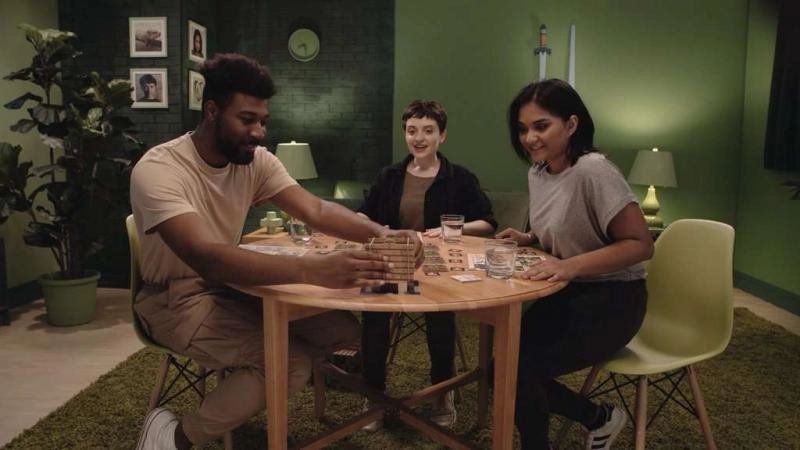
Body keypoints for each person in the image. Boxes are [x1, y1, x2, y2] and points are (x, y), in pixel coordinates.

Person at [130, 53, 422, 450]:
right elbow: (206, 256)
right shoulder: (159, 168)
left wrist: (383, 233)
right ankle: (173, 437)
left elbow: (316, 210)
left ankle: (253, 379)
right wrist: (311, 271)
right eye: (247, 119)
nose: (258, 132)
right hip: (173, 299)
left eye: (263, 121)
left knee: (344, 331)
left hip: (231, 287)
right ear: (212, 111)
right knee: (289, 364)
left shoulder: (255, 161)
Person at [498, 79, 653, 450]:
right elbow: (568, 225)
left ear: (571, 125)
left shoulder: (594, 171)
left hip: (615, 299)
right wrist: (530, 237)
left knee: (519, 370)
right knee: (501, 368)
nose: (530, 138)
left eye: (541, 126)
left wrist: (570, 267)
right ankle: (599, 418)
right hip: (568, 290)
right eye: (522, 129)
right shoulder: (538, 172)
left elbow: (641, 245)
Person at [356, 99, 496, 431]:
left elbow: (488, 223)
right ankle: (374, 395)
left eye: (428, 131)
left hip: (438, 266)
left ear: (442, 136)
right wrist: (372, 227)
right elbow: (363, 214)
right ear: (405, 133)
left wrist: (452, 230)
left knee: (440, 314)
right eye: (412, 130)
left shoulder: (460, 178)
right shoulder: (389, 176)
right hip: (394, 263)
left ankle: (441, 394)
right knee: (372, 311)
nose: (419, 138)